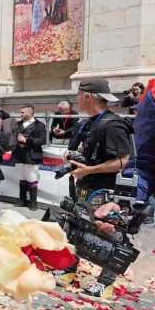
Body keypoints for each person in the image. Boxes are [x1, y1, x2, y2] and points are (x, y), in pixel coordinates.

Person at [56, 78, 132, 298]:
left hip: (104, 194)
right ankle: (70, 269)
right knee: (75, 231)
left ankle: (105, 284)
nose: (77, 99)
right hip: (83, 188)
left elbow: (123, 161)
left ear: (87, 96)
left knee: (109, 237)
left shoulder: (112, 124)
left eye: (78, 95)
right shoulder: (87, 123)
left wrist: (88, 170)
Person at [12, 105, 46, 211]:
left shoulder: (39, 125)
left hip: (32, 155)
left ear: (30, 113)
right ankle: (22, 200)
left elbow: (41, 140)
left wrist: (27, 140)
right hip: (19, 154)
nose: (20, 114)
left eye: (22, 112)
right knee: (21, 178)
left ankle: (33, 202)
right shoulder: (18, 124)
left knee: (32, 178)